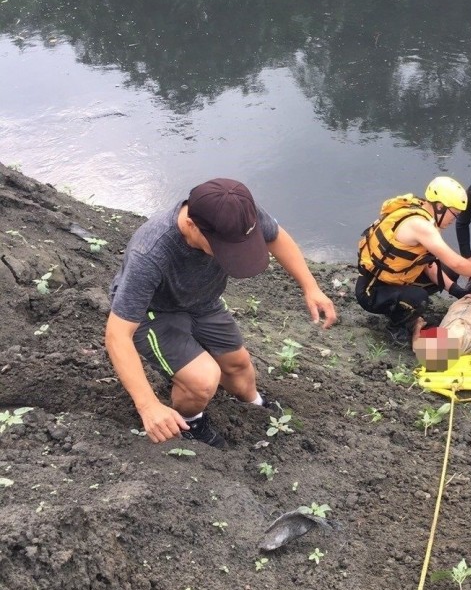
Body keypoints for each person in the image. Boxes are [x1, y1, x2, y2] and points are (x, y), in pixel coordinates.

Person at [105, 177, 337, 449]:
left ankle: (254, 404)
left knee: (238, 365)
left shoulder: (236, 213)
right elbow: (117, 335)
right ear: (192, 225)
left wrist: (311, 287)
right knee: (203, 380)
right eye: (225, 248)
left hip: (204, 300)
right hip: (154, 312)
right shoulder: (151, 252)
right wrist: (147, 406)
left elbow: (275, 236)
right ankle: (190, 421)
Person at [356, 176, 471, 344]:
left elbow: (427, 264)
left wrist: (456, 290)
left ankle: (403, 304)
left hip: (394, 278)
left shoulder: (425, 213)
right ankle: (397, 326)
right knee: (419, 298)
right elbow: (456, 262)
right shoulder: (420, 226)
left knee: (448, 273)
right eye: (454, 214)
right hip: (371, 291)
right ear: (440, 206)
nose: (454, 220)